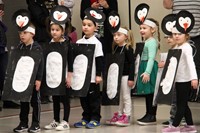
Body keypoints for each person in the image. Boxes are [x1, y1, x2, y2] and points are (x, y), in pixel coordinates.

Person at [162, 11, 198, 133]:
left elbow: (190, 63)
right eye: (174, 34)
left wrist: (194, 78)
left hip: (185, 80)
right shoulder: (177, 47)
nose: (176, 36)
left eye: (179, 34)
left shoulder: (187, 47)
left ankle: (175, 126)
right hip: (178, 79)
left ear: (186, 35)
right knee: (183, 103)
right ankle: (190, 126)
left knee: (181, 104)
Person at [163, 0, 200, 102]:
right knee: (177, 62)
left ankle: (193, 93)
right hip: (178, 34)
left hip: (197, 33)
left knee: (196, 65)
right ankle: (183, 96)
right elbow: (167, 5)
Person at [73, 8, 104, 129]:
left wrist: (98, 75)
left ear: (95, 27)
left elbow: (99, 60)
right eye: (84, 25)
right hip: (81, 77)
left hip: (92, 78)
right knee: (83, 98)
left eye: (89, 25)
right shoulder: (79, 42)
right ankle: (85, 117)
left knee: (94, 99)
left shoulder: (97, 43)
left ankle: (95, 118)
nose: (86, 27)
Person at [43, 6, 73, 131]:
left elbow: (70, 62)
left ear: (62, 31)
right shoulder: (49, 44)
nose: (54, 32)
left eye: (57, 30)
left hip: (64, 76)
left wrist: (69, 76)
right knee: (55, 98)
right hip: (53, 76)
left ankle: (65, 121)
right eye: (52, 29)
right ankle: (56, 120)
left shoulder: (67, 44)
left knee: (64, 99)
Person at [11, 22, 44, 132]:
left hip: (34, 80)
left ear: (32, 34)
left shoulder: (37, 48)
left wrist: (38, 79)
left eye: (25, 33)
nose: (22, 35)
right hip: (23, 80)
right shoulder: (19, 47)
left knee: (35, 101)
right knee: (23, 101)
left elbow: (40, 64)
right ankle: (23, 122)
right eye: (20, 33)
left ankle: (36, 123)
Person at [105, 27, 135, 126]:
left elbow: (132, 64)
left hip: (126, 76)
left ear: (126, 36)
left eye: (119, 35)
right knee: (120, 97)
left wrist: (131, 78)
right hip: (118, 76)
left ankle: (127, 115)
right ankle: (120, 114)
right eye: (114, 35)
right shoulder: (116, 48)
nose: (116, 37)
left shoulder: (128, 48)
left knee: (126, 96)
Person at [136, 18, 160, 125]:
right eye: (141, 28)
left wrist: (147, 72)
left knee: (151, 93)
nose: (141, 30)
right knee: (147, 93)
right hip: (144, 66)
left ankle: (152, 115)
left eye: (144, 28)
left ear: (153, 30)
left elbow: (151, 58)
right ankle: (148, 113)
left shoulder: (151, 42)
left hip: (149, 67)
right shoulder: (146, 41)